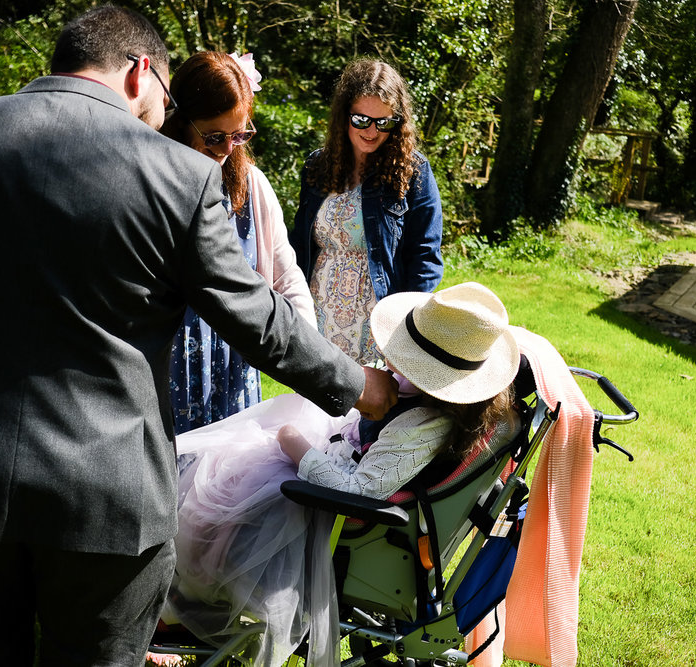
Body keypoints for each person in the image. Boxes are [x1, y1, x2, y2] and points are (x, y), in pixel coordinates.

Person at [0, 6, 396, 666]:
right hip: (108, 495)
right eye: (166, 96)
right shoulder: (179, 175)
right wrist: (361, 386)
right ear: (143, 71)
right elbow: (258, 318)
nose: (161, 115)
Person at [162, 282, 521, 666]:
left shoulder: (422, 427)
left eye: (404, 355)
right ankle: (182, 603)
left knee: (217, 504)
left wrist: (293, 444)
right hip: (330, 464)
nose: (389, 359)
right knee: (219, 477)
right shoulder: (429, 401)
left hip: (328, 511)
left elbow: (359, 490)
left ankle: (183, 610)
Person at [159, 51, 316, 433]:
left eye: (240, 134)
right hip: (168, 367)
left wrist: (310, 355)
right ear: (181, 122)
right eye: (214, 136)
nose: (228, 148)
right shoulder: (156, 182)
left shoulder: (252, 185)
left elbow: (286, 278)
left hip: (232, 372)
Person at [290, 58, 444, 365]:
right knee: (312, 410)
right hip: (317, 316)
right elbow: (298, 246)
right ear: (343, 116)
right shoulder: (317, 166)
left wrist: (405, 329)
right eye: (361, 120)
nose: (372, 132)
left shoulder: (414, 172)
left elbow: (425, 258)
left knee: (373, 410)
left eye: (383, 122)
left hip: (379, 324)